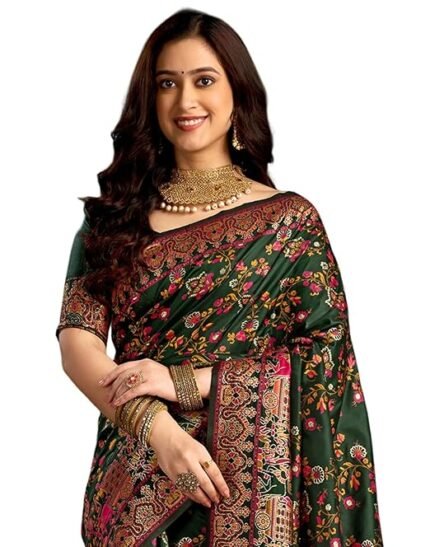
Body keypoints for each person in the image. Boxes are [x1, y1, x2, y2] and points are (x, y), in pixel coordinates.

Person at [55, 8, 383, 546]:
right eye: (167, 84)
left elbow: (325, 358)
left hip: (256, 497)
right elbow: (78, 347)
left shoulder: (288, 224)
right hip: (137, 483)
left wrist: (181, 380)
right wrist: (159, 431)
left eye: (204, 81)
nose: (185, 101)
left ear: (238, 94)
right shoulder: (112, 221)